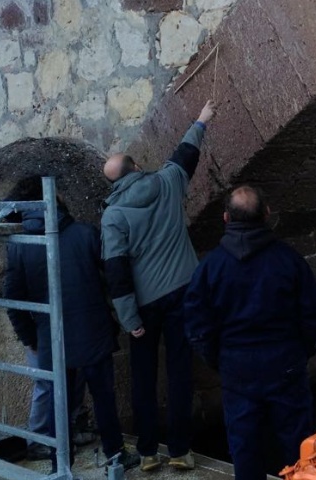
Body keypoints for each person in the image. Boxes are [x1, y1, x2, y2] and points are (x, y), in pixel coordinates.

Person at [101, 100, 216, 472]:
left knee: (143, 378)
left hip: (145, 306)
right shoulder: (166, 182)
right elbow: (185, 154)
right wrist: (201, 119)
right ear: (136, 167)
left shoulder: (113, 216)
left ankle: (149, 451)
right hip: (183, 291)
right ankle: (181, 450)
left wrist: (129, 318)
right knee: (181, 372)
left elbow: (116, 273)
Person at [182, 185, 316, 480]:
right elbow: (313, 314)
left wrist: (219, 358)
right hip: (285, 364)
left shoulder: (211, 267)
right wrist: (301, 352)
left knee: (244, 446)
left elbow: (197, 323)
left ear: (226, 218)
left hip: (238, 368)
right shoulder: (289, 260)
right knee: (298, 443)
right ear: (267, 214)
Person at [3, 176, 139, 471]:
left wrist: (30, 338)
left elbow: (13, 298)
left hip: (49, 336)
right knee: (103, 397)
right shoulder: (85, 233)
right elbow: (110, 278)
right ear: (56, 201)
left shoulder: (20, 245)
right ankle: (115, 453)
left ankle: (59, 463)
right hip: (93, 331)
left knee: (57, 402)